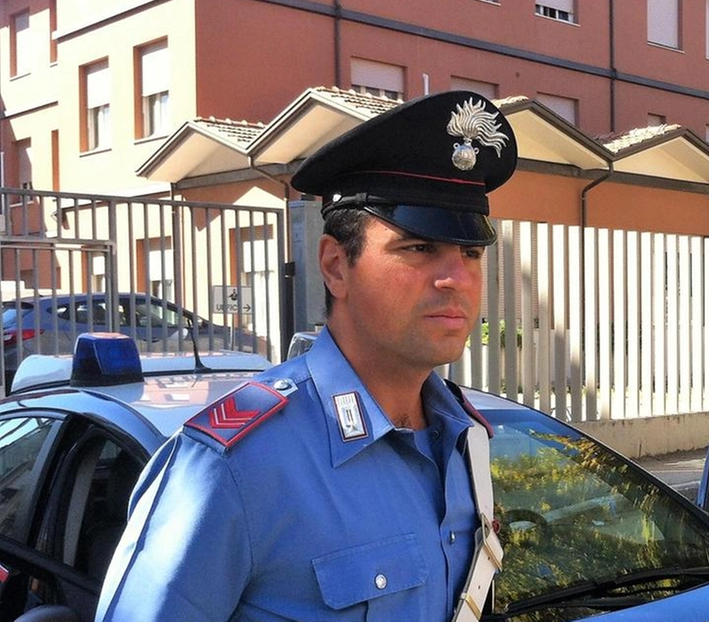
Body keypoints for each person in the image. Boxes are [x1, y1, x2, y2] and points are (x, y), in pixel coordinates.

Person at [96, 91, 517, 622]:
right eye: (418, 248)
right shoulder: (233, 467)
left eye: (471, 253)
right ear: (336, 266)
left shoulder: (464, 439)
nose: (455, 278)